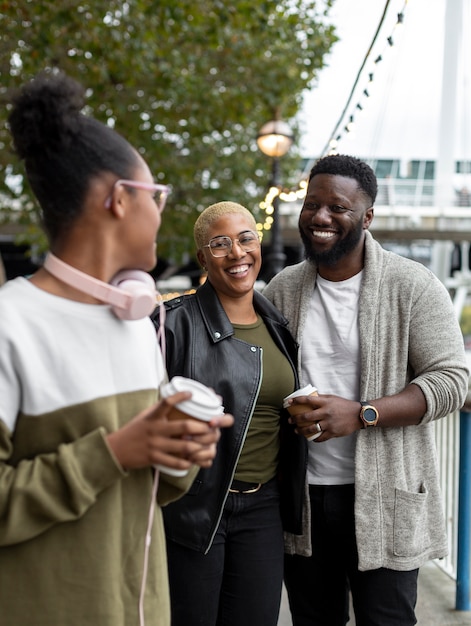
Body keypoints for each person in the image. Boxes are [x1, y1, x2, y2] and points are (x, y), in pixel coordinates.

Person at [0, 70, 232, 626]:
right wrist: (116, 451)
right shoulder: (11, 325)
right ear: (120, 199)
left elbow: (146, 492)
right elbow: (113, 460)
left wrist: (178, 454)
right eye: (157, 196)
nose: (162, 211)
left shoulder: (135, 322)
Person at [263, 154, 469, 626]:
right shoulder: (283, 289)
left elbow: (453, 380)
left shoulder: (413, 285)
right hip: (305, 500)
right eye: (312, 204)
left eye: (338, 208)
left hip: (386, 496)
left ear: (367, 217)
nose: (320, 217)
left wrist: (361, 414)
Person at [152, 201, 306, 626]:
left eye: (245, 239)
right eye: (220, 244)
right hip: (193, 504)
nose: (237, 253)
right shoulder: (170, 323)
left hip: (263, 508)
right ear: (203, 258)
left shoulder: (279, 326)